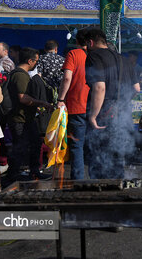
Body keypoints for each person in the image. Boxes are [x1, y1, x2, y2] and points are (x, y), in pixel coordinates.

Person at [84, 28, 139, 179]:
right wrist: (122, 102)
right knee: (117, 154)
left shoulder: (93, 56)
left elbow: (100, 87)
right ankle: (118, 192)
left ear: (91, 42)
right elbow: (136, 88)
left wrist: (93, 115)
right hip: (123, 112)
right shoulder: (125, 59)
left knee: (99, 155)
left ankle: (99, 193)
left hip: (104, 112)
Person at [5, 47, 53, 184]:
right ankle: (13, 176)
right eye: (36, 61)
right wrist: (42, 102)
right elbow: (22, 97)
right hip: (20, 119)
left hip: (25, 118)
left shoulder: (21, 74)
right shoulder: (20, 75)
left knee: (35, 143)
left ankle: (33, 172)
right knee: (20, 147)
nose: (36, 64)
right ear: (29, 60)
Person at [57, 30, 90, 180]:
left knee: (77, 146)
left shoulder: (73, 54)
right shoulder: (95, 55)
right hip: (95, 106)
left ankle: (78, 180)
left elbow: (67, 78)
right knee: (95, 145)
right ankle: (97, 178)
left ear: (77, 41)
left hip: (76, 106)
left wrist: (61, 99)